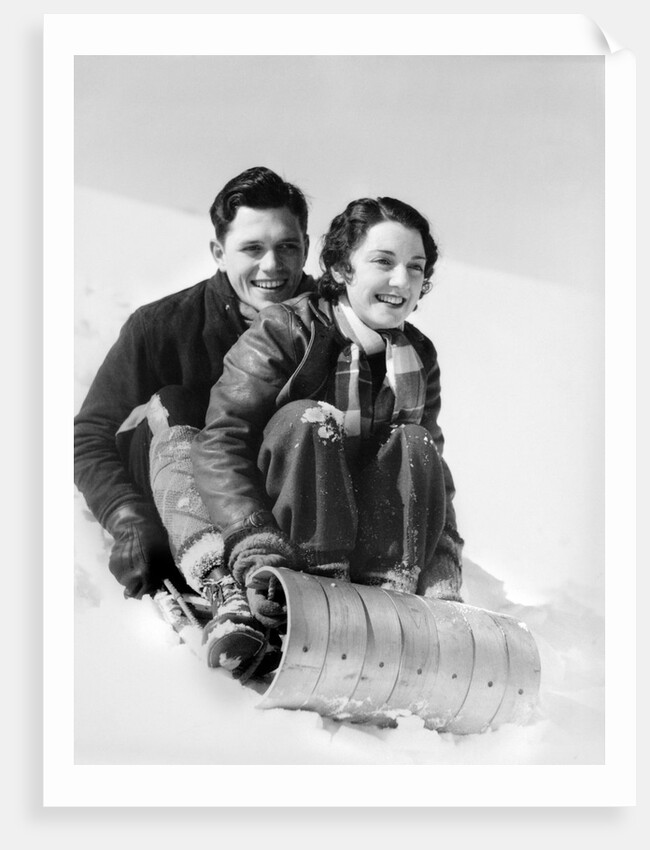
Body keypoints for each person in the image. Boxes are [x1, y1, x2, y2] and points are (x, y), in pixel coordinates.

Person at [149, 196, 464, 677]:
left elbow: (431, 477)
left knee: (415, 444)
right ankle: (302, 595)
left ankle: (388, 598)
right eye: (383, 262)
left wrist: (443, 579)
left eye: (415, 268)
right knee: (307, 420)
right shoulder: (287, 329)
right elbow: (223, 442)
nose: (402, 281)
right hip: (287, 535)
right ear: (341, 267)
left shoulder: (418, 357)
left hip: (366, 543)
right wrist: (256, 548)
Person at [74, 166, 315, 601]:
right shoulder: (162, 326)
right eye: (252, 248)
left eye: (287, 247)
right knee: (177, 403)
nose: (272, 265)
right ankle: (213, 570)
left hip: (276, 515)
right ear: (219, 252)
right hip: (178, 498)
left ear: (306, 248)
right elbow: (89, 434)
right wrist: (127, 515)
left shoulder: (333, 328)